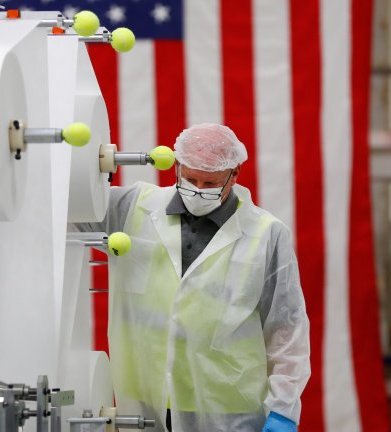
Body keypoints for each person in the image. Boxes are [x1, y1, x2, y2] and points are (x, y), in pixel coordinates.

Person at [77, 123, 310, 432]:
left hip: (227, 408)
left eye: (210, 182)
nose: (198, 189)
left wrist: (283, 409)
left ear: (234, 174)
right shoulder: (134, 207)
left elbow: (286, 328)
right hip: (147, 402)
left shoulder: (266, 233)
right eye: (189, 179)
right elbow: (71, 210)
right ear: (177, 167)